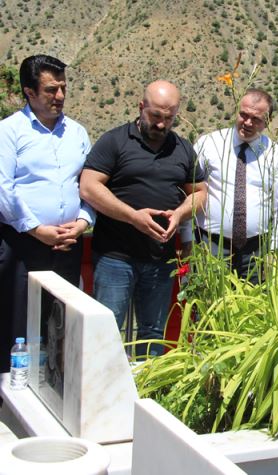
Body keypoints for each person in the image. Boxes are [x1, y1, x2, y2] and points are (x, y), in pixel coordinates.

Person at [80, 80, 207, 357]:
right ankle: (103, 396)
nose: (161, 124)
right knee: (106, 332)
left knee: (152, 335)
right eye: (155, 116)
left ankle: (146, 394)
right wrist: (132, 217)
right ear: (141, 107)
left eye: (169, 118)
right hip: (116, 258)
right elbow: (89, 186)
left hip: (160, 260)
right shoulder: (114, 141)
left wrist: (180, 214)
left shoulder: (182, 148)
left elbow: (199, 193)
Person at [0, 55, 93, 372]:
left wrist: (82, 222)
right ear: (29, 91)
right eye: (51, 89)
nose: (61, 97)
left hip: (68, 244)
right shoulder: (9, 132)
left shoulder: (77, 133)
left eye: (64, 88)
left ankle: (58, 383)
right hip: (21, 244)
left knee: (61, 319)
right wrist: (37, 229)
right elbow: (3, 188)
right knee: (17, 319)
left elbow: (88, 184)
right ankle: (13, 392)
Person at [193, 88, 278, 281]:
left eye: (255, 119)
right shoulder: (209, 144)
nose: (247, 123)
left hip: (256, 251)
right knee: (209, 305)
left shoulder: (275, 155)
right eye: (243, 115)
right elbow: (191, 191)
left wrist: (276, 249)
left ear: (268, 122)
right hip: (211, 246)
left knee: (254, 306)